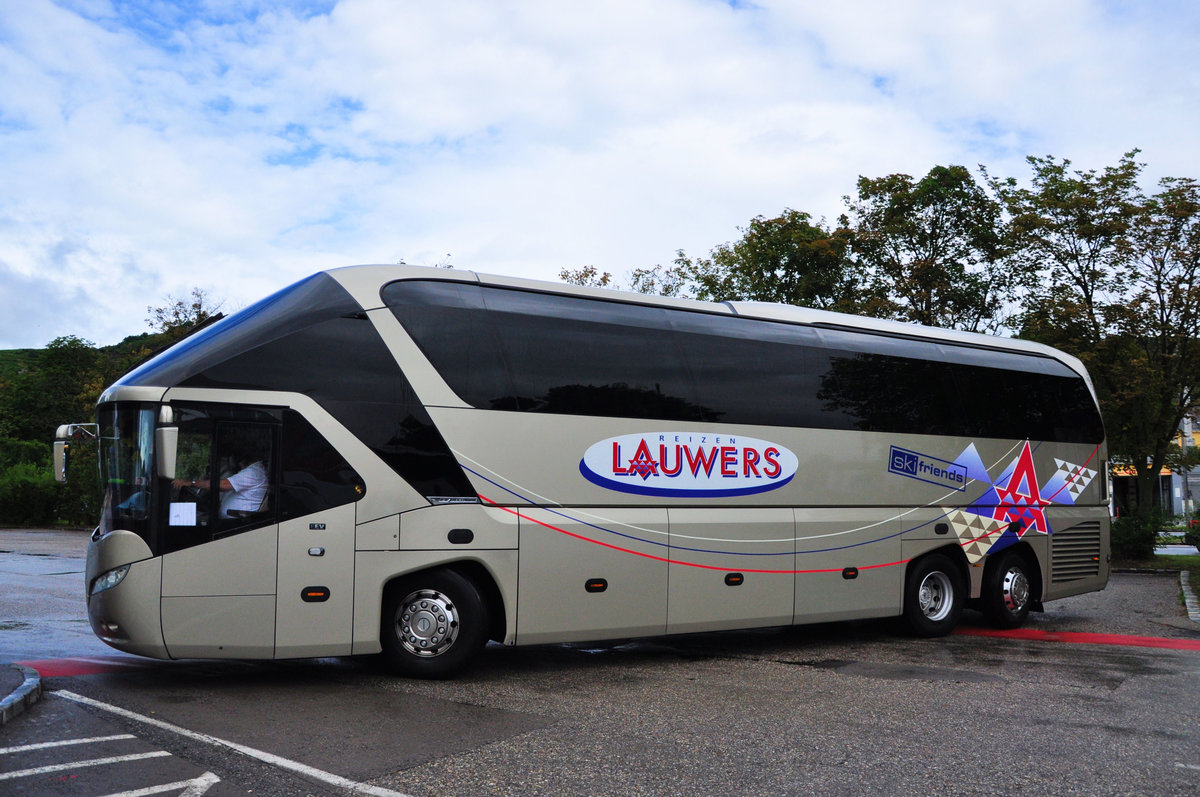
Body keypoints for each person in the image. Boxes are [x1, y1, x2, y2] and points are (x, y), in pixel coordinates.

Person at [173, 456, 269, 519]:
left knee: (183, 519)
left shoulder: (253, 472)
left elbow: (219, 485)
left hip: (236, 522)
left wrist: (191, 483)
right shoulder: (253, 470)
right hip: (222, 516)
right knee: (182, 516)